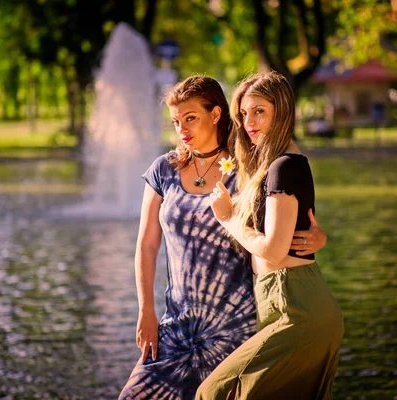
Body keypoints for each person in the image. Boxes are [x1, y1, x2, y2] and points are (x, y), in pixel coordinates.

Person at [119, 75, 327, 400]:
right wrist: (146, 310)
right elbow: (146, 244)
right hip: (178, 322)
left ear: (215, 115)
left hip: (237, 324)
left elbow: (285, 218)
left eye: (190, 118)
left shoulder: (247, 164)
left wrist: (317, 238)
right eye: (176, 121)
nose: (182, 129)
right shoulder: (163, 170)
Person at [197, 71, 344, 399]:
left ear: (283, 111)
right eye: (245, 113)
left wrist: (229, 218)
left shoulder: (284, 166)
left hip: (296, 306)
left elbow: (274, 252)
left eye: (260, 111)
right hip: (286, 304)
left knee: (213, 393)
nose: (250, 122)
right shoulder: (272, 166)